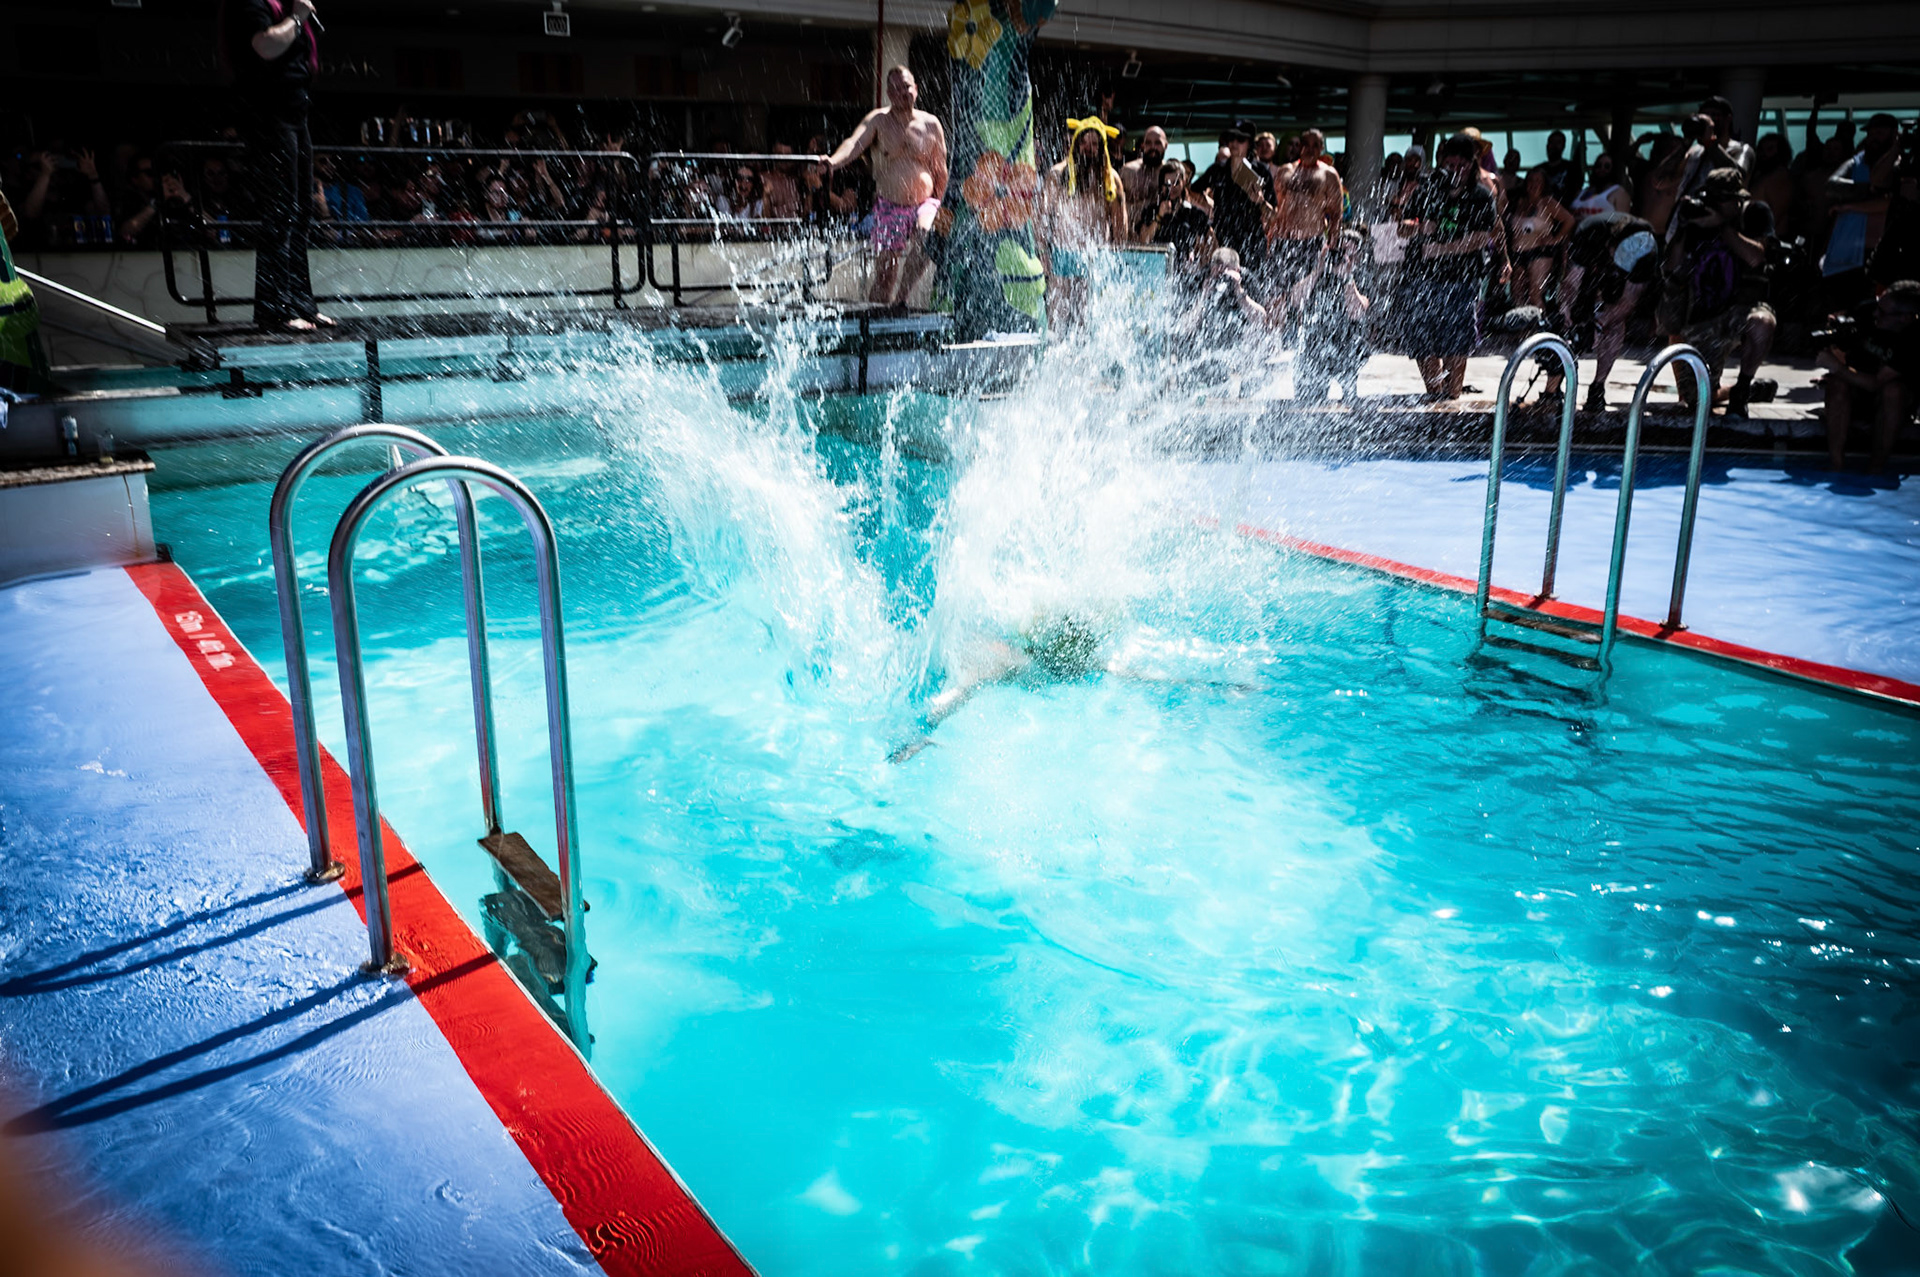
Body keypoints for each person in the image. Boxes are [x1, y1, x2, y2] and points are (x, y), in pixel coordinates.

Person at [222, 0, 331, 331]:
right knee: (281, 211)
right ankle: (274, 309)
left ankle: (301, 303)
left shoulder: (285, 4)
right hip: (268, 114)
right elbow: (265, 46)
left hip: (296, 114)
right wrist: (297, 17)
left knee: (300, 213)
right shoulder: (255, 3)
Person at [821, 64, 948, 306]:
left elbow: (940, 170)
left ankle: (901, 300)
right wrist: (832, 162)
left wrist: (946, 208)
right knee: (885, 274)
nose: (902, 92)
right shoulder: (879, 120)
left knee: (926, 236)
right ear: (888, 93)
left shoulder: (932, 124)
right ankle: (878, 314)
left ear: (916, 90)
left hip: (925, 203)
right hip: (890, 205)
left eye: (906, 87)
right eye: (896, 88)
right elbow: (853, 144)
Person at [1655, 167, 1778, 417]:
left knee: (1762, 324)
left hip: (1742, 310)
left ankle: (1743, 390)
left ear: (1738, 200)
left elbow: (1755, 257)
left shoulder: (1755, 213)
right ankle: (1735, 391)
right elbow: (1672, 268)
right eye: (1713, 199)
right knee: (1698, 401)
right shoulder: (1697, 219)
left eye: (1723, 199)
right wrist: (1683, 226)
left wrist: (1722, 226)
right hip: (1704, 317)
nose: (1716, 205)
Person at [1401, 133, 1500, 399]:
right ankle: (1435, 394)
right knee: (1422, 337)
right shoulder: (1428, 188)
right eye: (1450, 166)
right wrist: (1420, 227)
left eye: (1461, 167)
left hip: (1461, 278)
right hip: (1421, 277)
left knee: (1456, 339)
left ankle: (1453, 395)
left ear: (1472, 164)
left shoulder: (1480, 195)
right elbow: (1400, 228)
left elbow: (1480, 238)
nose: (1455, 172)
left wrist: (1440, 249)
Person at [1558, 211, 1659, 411]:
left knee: (1614, 323)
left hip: (1620, 280)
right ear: (1611, 245)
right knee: (1568, 317)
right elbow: (1570, 282)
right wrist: (1566, 310)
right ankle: (1553, 387)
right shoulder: (1591, 231)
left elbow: (1628, 303)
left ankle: (1598, 387)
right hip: (1591, 263)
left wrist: (1600, 323)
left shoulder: (1648, 254)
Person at [1818, 279, 1920, 472]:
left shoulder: (1913, 340)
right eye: (1877, 306)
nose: (1875, 314)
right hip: (1856, 389)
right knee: (1837, 384)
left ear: (1905, 318)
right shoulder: (1867, 311)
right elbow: (1839, 325)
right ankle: (1836, 465)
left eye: (1882, 313)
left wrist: (1835, 367)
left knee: (1893, 390)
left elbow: (1877, 384)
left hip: (1890, 403)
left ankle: (1876, 468)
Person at [1043, 115, 1129, 327]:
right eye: (1084, 142)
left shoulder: (1111, 180)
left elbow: (1120, 226)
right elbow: (1042, 219)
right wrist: (1043, 253)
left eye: (1094, 144)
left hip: (1095, 259)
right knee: (1056, 320)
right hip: (1062, 254)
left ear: (1102, 148)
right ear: (1075, 143)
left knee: (1087, 322)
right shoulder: (1058, 174)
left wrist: (1117, 261)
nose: (1089, 149)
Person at [1822, 114, 1902, 312]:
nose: (1874, 137)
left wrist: (1851, 205)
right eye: (1871, 133)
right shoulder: (1856, 162)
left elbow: (1891, 203)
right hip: (1847, 254)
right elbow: (1832, 187)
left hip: (1880, 255)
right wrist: (1871, 191)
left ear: (1894, 135)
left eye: (1880, 133)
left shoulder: (1900, 165)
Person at [1267, 128, 1345, 326]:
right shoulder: (1285, 171)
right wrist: (1270, 239)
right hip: (1283, 242)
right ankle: (1275, 342)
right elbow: (1277, 209)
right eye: (1306, 144)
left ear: (1321, 148)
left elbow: (1336, 213)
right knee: (1277, 294)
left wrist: (1332, 244)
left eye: (1315, 145)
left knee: (1305, 297)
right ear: (1300, 146)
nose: (1310, 149)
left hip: (1311, 242)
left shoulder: (1328, 174)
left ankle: (1304, 342)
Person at [1190, 121, 1275, 302]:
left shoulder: (1261, 171)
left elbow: (1272, 214)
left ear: (1249, 143)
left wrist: (1259, 202)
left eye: (1241, 139)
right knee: (1219, 293)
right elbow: (1192, 190)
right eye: (1231, 138)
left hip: (1252, 243)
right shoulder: (1218, 169)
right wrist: (1208, 204)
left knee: (1252, 293)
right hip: (1224, 242)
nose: (1235, 143)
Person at [1294, 228, 1371, 405]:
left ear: (1358, 255)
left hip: (1347, 347)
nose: (1342, 257)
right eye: (1339, 251)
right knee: (1308, 402)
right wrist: (1318, 270)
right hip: (1315, 345)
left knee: (1351, 402)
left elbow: (1356, 312)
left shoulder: (1359, 275)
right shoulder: (1319, 271)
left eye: (1348, 252)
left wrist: (1347, 278)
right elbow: (1296, 299)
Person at [1507, 168, 1576, 310]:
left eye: (1538, 181)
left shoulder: (1547, 203)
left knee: (1535, 295)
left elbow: (1569, 220)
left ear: (1544, 184)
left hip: (1539, 253)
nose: (1534, 184)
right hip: (1518, 254)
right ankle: (1523, 330)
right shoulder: (1519, 202)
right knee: (1517, 295)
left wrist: (1556, 239)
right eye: (1531, 180)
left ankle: (1540, 327)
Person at [1131, 159, 1210, 276]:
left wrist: (1200, 257)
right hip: (1156, 271)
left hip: (1184, 273)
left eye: (1176, 182)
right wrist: (1159, 216)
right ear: (1161, 185)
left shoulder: (1193, 214)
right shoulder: (1151, 211)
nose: (1171, 187)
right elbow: (1144, 241)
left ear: (1184, 182)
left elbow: (1211, 243)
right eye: (1167, 184)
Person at [1119, 125, 1168, 212]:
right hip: (1132, 224)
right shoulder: (1128, 171)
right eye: (1148, 143)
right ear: (1142, 146)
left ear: (1166, 145)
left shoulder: (1170, 173)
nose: (1153, 147)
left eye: (1158, 143)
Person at [1571, 152, 1632, 218]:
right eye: (1598, 166)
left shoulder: (1619, 193)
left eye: (1607, 166)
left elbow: (1623, 222)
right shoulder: (1581, 193)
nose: (1602, 169)